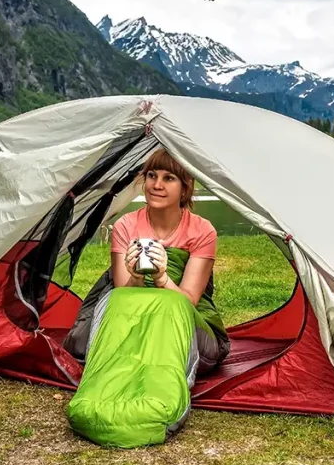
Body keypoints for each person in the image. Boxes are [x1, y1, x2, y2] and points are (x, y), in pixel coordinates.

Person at [63, 148, 230, 373]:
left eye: (168, 178)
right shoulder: (126, 225)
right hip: (133, 305)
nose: (156, 185)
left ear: (185, 188)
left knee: (203, 352)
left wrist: (161, 277)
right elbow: (124, 292)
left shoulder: (202, 231)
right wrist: (137, 277)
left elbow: (188, 300)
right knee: (82, 343)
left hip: (178, 309)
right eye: (152, 175)